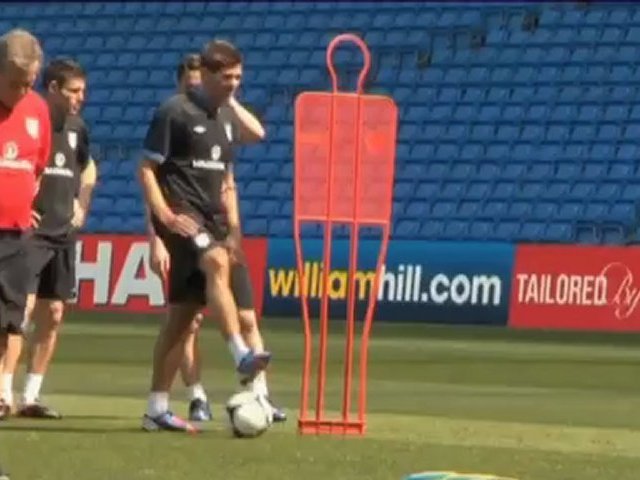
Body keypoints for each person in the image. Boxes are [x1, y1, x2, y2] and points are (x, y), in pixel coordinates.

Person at [138, 39, 272, 432]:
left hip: (213, 220)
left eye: (239, 77)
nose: (234, 83)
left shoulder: (226, 117)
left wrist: (233, 228)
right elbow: (145, 168)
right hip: (182, 217)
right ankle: (241, 354)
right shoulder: (174, 111)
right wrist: (164, 216)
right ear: (207, 75)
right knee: (215, 261)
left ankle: (156, 409)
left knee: (180, 320)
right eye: (227, 77)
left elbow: (253, 141)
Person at [0, 58, 97, 419]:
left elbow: (88, 167)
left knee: (53, 313)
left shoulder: (77, 128)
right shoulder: (30, 118)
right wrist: (24, 204)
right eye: (74, 91)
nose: (80, 98)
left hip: (62, 232)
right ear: (53, 88)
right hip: (31, 234)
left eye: (83, 91)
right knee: (19, 312)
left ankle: (31, 395)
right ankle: (4, 389)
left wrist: (81, 204)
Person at [0, 28, 52, 480]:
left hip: (15, 238)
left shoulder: (37, 110)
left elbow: (36, 167)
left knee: (7, 329)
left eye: (29, 82)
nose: (23, 91)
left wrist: (19, 204)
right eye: (15, 83)